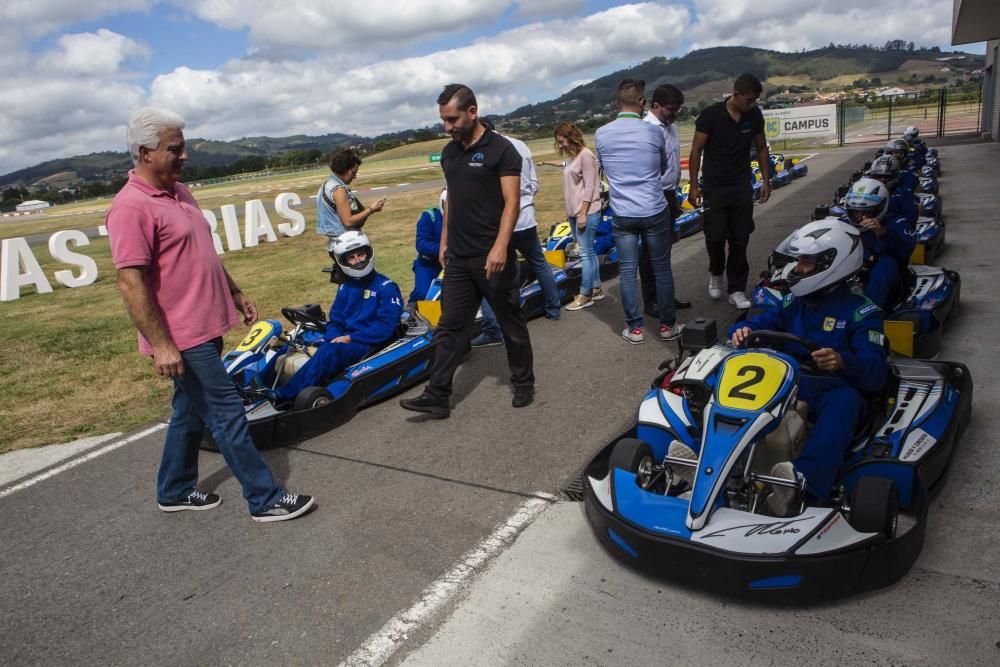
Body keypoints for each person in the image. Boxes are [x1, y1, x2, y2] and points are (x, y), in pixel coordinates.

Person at [106, 106, 314, 523]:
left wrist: (234, 291)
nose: (184, 156)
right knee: (225, 412)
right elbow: (131, 283)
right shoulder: (130, 208)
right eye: (175, 149)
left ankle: (174, 489)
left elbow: (202, 252)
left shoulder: (179, 191)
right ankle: (264, 498)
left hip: (207, 325)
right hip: (182, 336)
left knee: (187, 412)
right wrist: (162, 345)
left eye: (183, 148)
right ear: (145, 152)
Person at [728, 220, 888, 515]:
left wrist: (842, 362)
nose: (797, 268)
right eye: (799, 260)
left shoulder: (862, 312)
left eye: (806, 261)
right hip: (790, 381)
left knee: (845, 404)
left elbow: (876, 373)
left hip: (835, 388)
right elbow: (763, 323)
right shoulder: (795, 302)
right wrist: (743, 331)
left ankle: (801, 487)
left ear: (834, 263)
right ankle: (714, 465)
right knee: (734, 379)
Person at [400, 84, 534, 418]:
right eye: (443, 120)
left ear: (472, 112)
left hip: (492, 256)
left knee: (510, 322)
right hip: (459, 257)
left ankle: (523, 381)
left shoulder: (502, 151)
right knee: (450, 327)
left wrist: (502, 246)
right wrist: (444, 241)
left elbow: (512, 202)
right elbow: (453, 202)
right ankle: (437, 394)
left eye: (452, 119)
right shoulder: (450, 152)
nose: (447, 127)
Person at [595, 78, 683, 344]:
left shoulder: (601, 133)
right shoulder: (653, 132)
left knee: (628, 271)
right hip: (654, 208)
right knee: (661, 269)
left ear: (616, 102)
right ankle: (668, 326)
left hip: (623, 212)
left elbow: (605, 170)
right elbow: (663, 168)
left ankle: (634, 329)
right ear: (643, 102)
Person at [266, 232, 403, 402]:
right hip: (344, 340)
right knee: (290, 344)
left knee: (330, 351)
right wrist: (330, 338)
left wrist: (349, 338)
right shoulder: (345, 287)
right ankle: (261, 388)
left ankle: (284, 395)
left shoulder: (386, 287)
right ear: (343, 262)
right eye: (351, 257)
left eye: (361, 254)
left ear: (369, 253)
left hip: (366, 343)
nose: (358, 260)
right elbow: (336, 320)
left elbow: (385, 327)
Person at [472, 120, 561, 346]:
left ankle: (516, 317)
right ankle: (553, 307)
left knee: (507, 271)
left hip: (505, 221)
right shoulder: (521, 145)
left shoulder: (491, 149)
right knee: (539, 262)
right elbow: (533, 182)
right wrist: (527, 199)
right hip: (527, 216)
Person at [688, 73, 771, 310]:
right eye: (749, 100)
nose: (752, 104)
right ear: (736, 94)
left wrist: (767, 180)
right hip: (714, 187)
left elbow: (762, 147)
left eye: (755, 101)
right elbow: (696, 152)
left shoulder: (753, 116)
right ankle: (716, 272)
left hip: (741, 186)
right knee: (714, 237)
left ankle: (736, 289)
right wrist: (694, 185)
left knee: (740, 239)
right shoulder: (711, 115)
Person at [537, 121, 603, 311]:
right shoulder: (574, 158)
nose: (560, 146)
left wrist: (583, 213)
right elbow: (565, 164)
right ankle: (596, 288)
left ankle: (585, 294)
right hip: (574, 213)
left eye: (561, 141)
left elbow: (591, 187)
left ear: (571, 137)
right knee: (588, 251)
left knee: (585, 253)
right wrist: (547, 162)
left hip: (586, 213)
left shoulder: (586, 156)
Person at [642, 83, 692, 316]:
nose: (674, 113)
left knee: (664, 252)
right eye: (671, 109)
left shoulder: (672, 127)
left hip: (670, 193)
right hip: (652, 195)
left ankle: (665, 296)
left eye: (677, 109)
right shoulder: (644, 129)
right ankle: (652, 299)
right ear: (656, 106)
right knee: (650, 254)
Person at [842, 178, 915, 308]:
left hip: (886, 281)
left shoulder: (897, 223)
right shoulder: (843, 225)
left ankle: (869, 311)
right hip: (852, 274)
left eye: (866, 212)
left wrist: (882, 233)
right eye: (855, 211)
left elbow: (905, 252)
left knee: (886, 264)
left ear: (880, 208)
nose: (860, 217)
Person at [316, 148, 385, 257]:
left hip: (336, 244)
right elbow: (348, 221)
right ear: (345, 168)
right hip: (347, 245)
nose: (355, 177)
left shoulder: (327, 184)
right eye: (353, 172)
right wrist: (372, 209)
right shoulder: (339, 190)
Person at [408, 206, 443, 304]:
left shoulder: (463, 216)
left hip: (452, 264)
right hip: (428, 264)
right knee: (423, 294)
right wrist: (444, 249)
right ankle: (411, 308)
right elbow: (421, 244)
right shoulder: (430, 216)